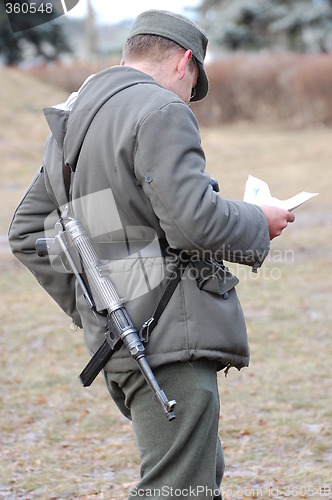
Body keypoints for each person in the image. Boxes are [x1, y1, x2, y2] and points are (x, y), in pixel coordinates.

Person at [8, 9, 295, 499]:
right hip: (168, 342)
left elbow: (27, 234)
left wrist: (102, 301)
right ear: (185, 62)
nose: (188, 100)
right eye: (193, 86)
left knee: (194, 480)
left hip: (124, 343)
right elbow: (194, 223)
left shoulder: (73, 121)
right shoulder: (160, 109)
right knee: (177, 490)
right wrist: (259, 221)